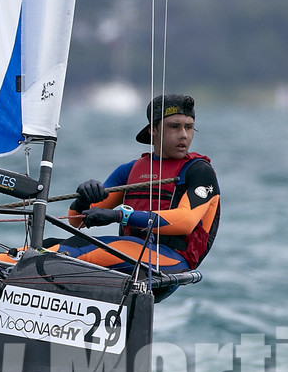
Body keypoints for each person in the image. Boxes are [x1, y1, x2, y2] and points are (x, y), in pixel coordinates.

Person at [60, 93, 221, 274]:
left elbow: (186, 221)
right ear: (153, 129)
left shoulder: (199, 171)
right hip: (131, 252)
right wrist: (83, 199)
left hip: (171, 259)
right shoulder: (129, 170)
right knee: (49, 245)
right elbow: (77, 221)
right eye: (174, 127)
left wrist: (120, 216)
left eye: (189, 127)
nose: (184, 135)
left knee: (74, 253)